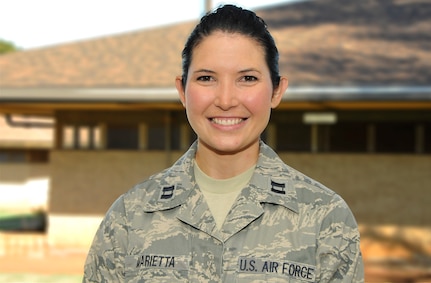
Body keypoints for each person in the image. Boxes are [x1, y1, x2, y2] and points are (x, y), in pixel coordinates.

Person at [83, 4, 364, 282]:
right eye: (206, 78)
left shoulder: (325, 218)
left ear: (277, 91)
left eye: (247, 78)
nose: (226, 100)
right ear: (182, 91)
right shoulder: (130, 216)